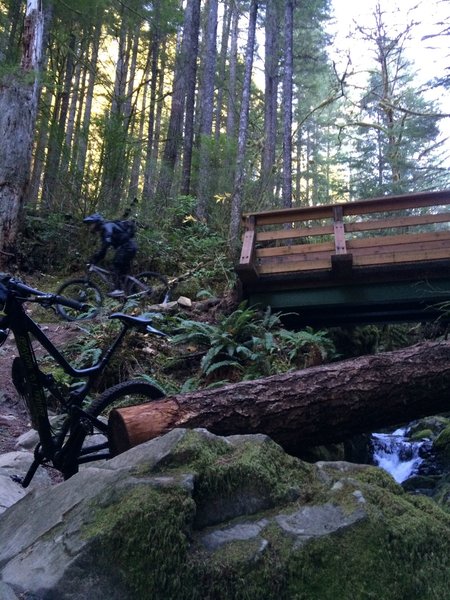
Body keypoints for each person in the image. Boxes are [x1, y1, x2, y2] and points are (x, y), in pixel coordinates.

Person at [83, 213, 137, 297]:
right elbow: (104, 251)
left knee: (116, 265)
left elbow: (107, 242)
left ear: (97, 222)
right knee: (124, 274)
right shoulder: (103, 231)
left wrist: (97, 255)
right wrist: (95, 259)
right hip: (128, 247)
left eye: (91, 224)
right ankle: (135, 294)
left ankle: (117, 290)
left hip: (127, 247)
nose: (90, 227)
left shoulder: (107, 226)